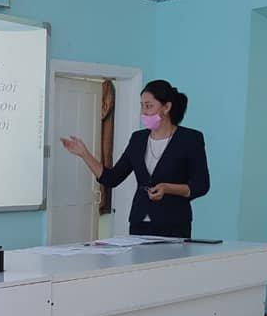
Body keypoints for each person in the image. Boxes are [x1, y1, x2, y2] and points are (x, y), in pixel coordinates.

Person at [61, 79, 210, 238]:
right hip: (139, 223)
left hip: (174, 224)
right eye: (142, 106)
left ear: (166, 107)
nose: (143, 112)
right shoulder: (138, 139)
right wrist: (84, 154)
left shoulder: (190, 139)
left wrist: (168, 188)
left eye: (149, 106)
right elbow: (112, 178)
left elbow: (201, 186)